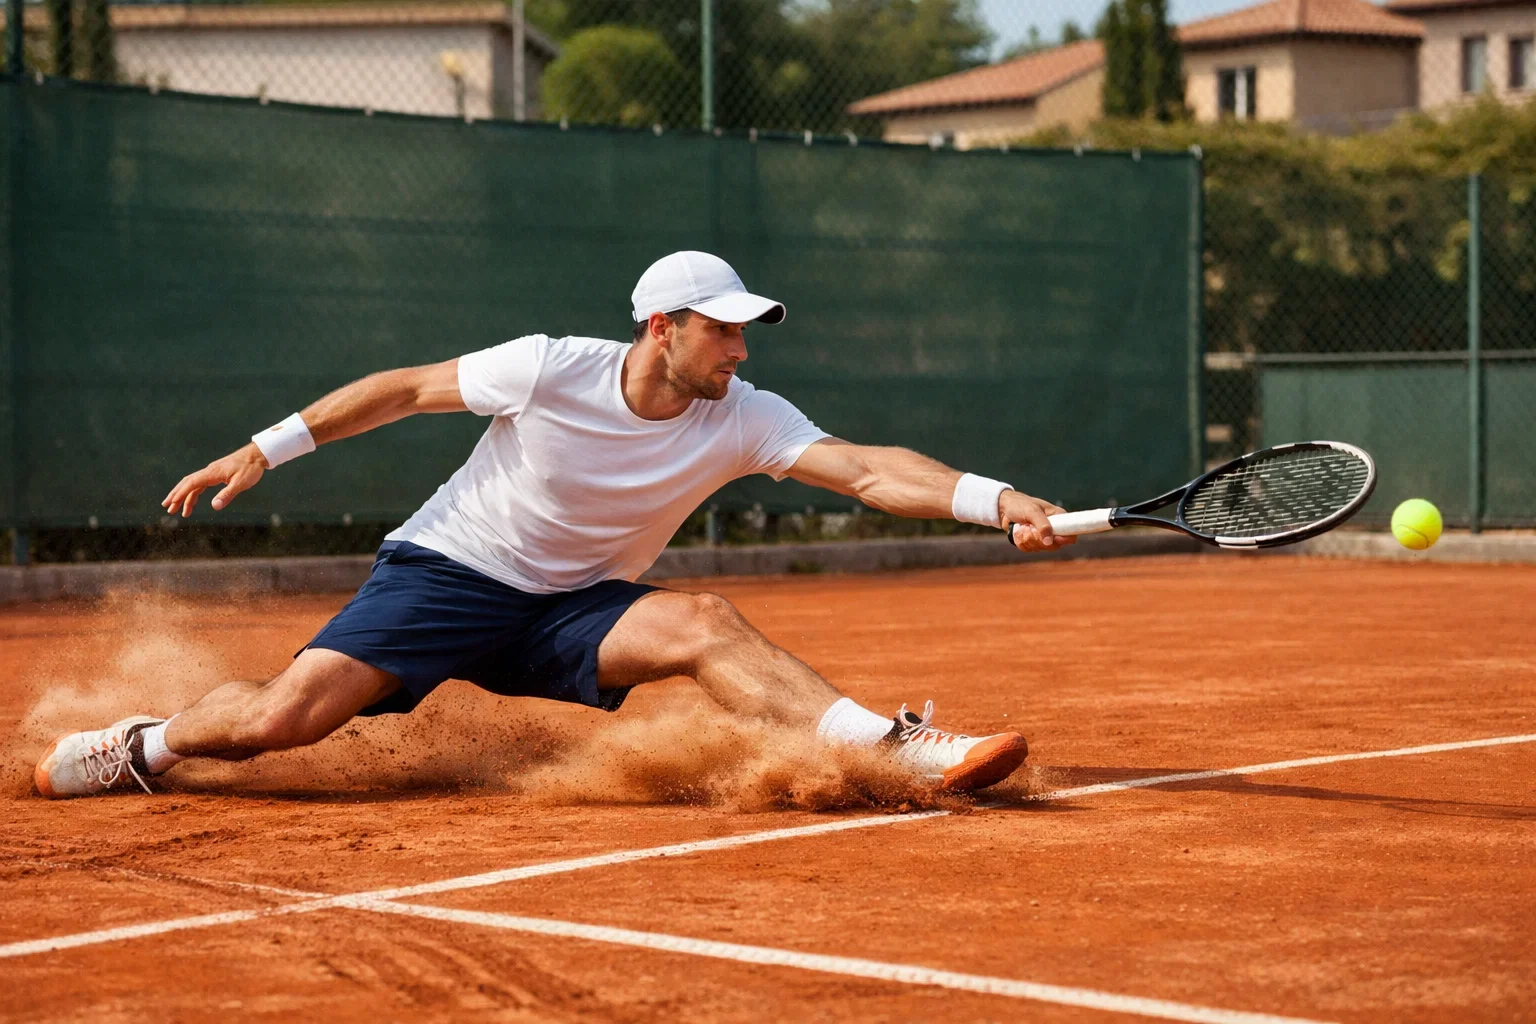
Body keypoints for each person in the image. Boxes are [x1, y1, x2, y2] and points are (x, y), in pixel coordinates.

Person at [34, 251, 1072, 800]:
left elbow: (866, 470)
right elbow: (404, 389)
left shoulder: (744, 414)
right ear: (662, 329)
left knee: (703, 618)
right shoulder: (550, 366)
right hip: (452, 570)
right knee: (280, 723)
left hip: (574, 609)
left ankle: (894, 749)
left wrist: (994, 499)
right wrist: (267, 445)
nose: (740, 356)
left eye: (745, 337)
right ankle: (149, 745)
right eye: (724, 333)